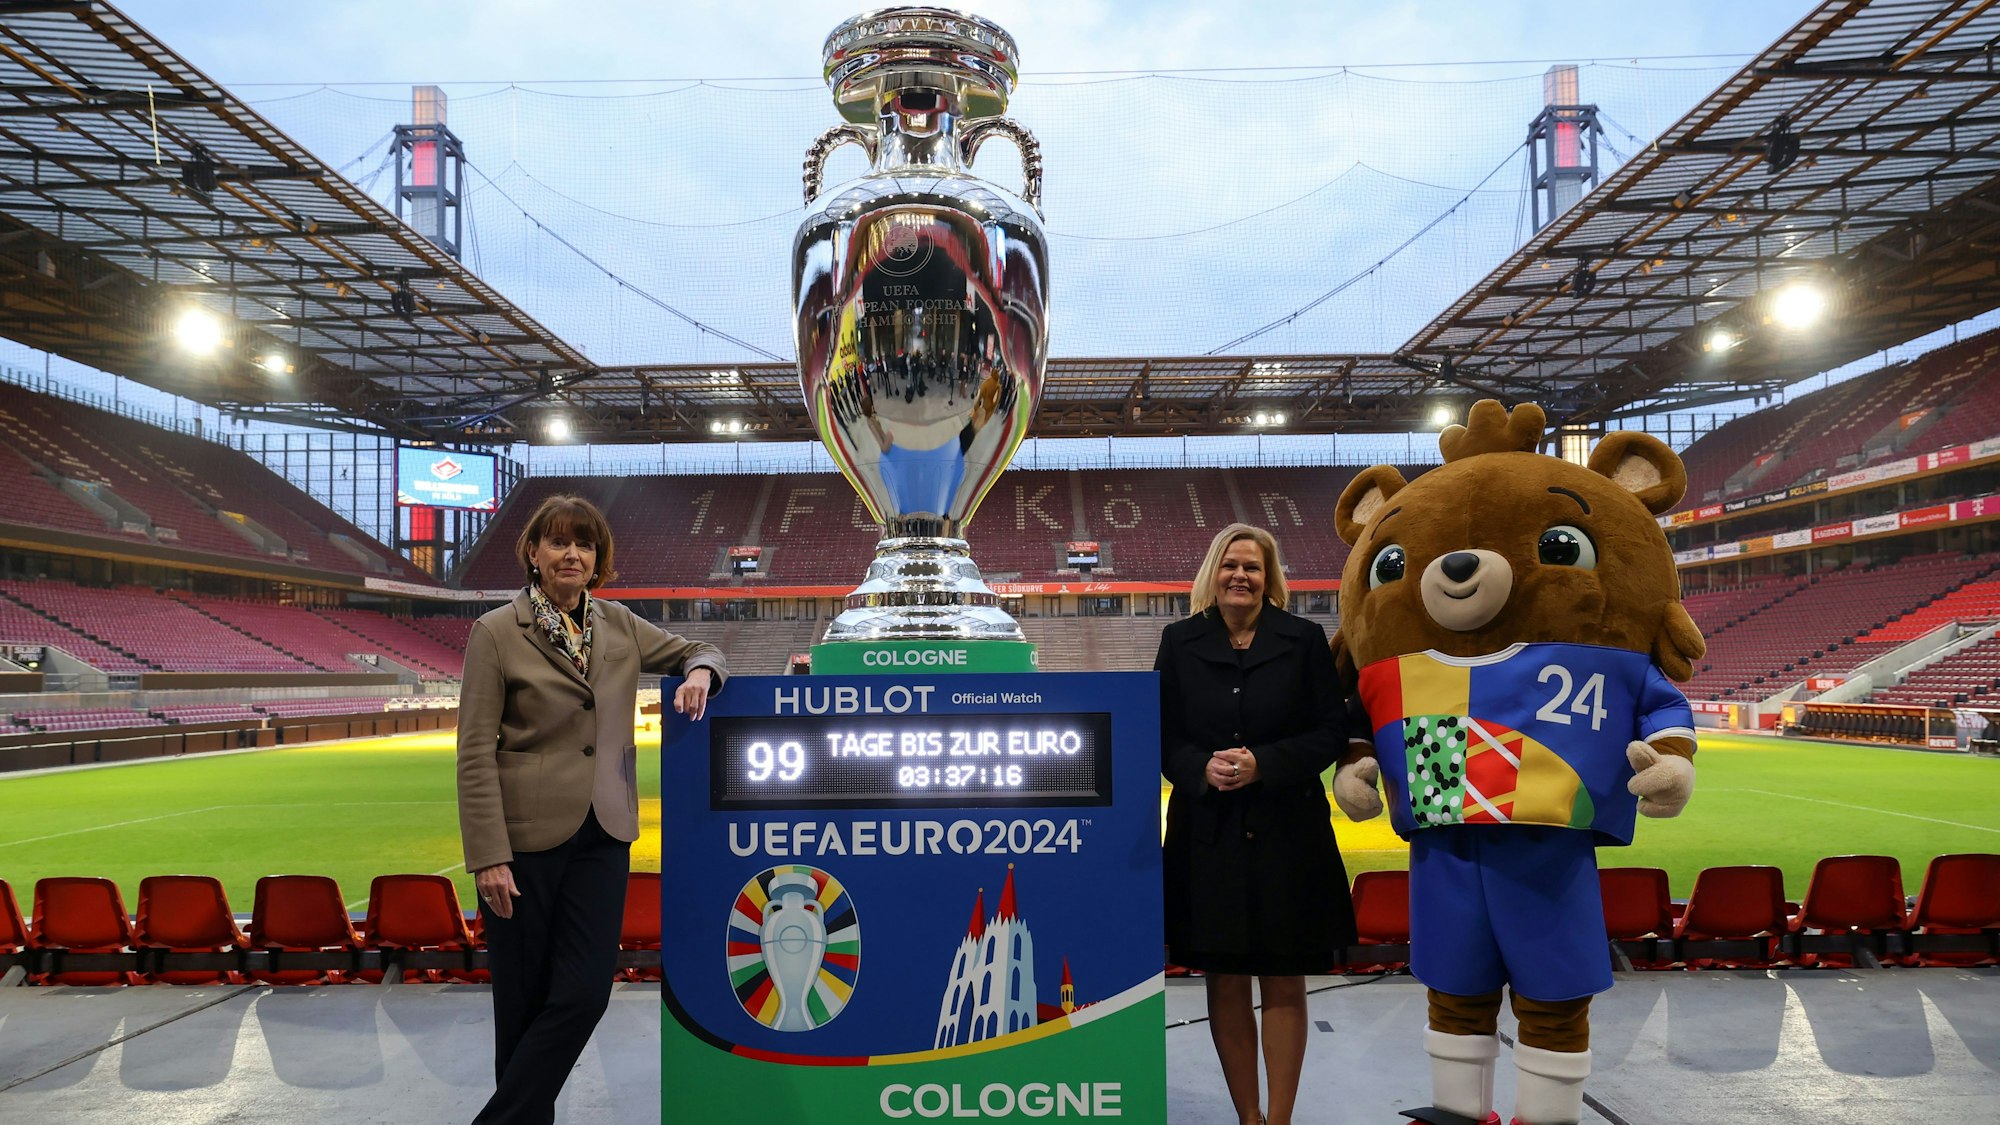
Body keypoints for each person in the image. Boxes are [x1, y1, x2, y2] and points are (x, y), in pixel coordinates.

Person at [457, 494, 727, 1124]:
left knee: (583, 994)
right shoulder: (495, 632)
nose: (572, 554)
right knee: (521, 1004)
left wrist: (699, 675)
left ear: (597, 558)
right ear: (533, 553)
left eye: (584, 544)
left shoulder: (619, 623)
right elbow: (474, 752)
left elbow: (701, 648)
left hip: (604, 833)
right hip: (521, 844)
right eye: (558, 542)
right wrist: (489, 856)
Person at [1154, 523, 1355, 1125]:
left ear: (1270, 580)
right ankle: (1249, 1116)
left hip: (1288, 832)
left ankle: (1280, 1119)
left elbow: (1330, 731)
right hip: (1208, 833)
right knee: (1224, 980)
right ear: (1212, 573)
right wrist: (1199, 767)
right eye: (1230, 565)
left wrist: (1265, 763)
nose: (1240, 575)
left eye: (1253, 567)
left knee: (1285, 978)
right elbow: (1160, 734)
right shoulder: (1178, 640)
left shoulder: (1304, 638)